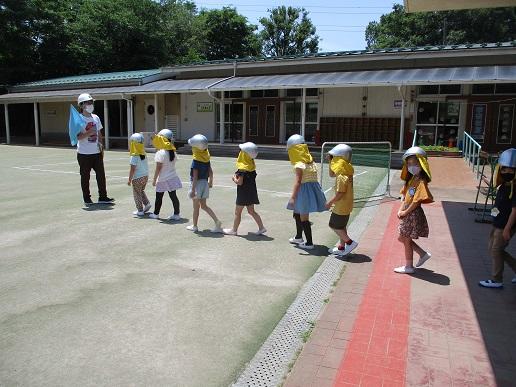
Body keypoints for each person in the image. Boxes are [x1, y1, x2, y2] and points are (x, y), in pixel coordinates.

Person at [479, 148, 516, 288]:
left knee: (496, 250)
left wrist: (507, 229)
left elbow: (514, 211)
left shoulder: (515, 188)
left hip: (505, 226)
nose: (507, 172)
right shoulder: (504, 186)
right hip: (497, 223)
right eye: (504, 169)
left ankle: (497, 279)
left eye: (511, 170)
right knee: (493, 249)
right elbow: (498, 202)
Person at [395, 146, 433, 274]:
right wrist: (401, 209)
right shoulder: (411, 179)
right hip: (407, 213)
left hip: (412, 214)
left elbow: (416, 201)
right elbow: (404, 196)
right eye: (409, 164)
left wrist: (405, 212)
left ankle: (408, 266)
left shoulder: (421, 181)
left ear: (422, 164)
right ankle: (422, 254)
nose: (412, 166)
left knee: (405, 239)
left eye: (415, 164)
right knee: (402, 238)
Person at [286, 134, 327, 250]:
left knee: (303, 217)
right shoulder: (311, 161)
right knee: (297, 213)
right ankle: (299, 237)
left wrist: (293, 197)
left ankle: (309, 243)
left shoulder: (299, 164)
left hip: (303, 191)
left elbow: (298, 181)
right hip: (311, 190)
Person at [75, 93, 114, 206]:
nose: (90, 104)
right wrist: (88, 133)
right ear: (81, 105)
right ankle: (87, 198)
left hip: (96, 152)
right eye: (88, 102)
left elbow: (99, 133)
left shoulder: (96, 117)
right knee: (85, 177)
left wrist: (101, 147)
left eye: (91, 102)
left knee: (101, 175)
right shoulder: (78, 119)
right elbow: (77, 137)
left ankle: (103, 196)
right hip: (83, 153)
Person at [223, 142, 266, 236]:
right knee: (251, 211)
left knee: (237, 212)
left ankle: (234, 230)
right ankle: (261, 227)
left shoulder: (242, 168)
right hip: (251, 192)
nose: (240, 153)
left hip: (243, 193)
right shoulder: (251, 166)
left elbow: (240, 182)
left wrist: (234, 178)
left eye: (241, 152)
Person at [325, 144, 358, 256]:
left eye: (335, 158)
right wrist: (330, 162)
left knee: (333, 225)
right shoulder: (346, 169)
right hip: (347, 205)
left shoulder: (341, 176)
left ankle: (350, 243)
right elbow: (331, 174)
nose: (333, 160)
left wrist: (330, 203)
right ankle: (341, 247)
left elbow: (340, 193)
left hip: (341, 206)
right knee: (342, 227)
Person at [186, 134, 222, 233]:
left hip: (197, 185)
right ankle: (217, 221)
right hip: (205, 183)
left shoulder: (196, 161)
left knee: (196, 207)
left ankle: (194, 225)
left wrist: (193, 190)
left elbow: (195, 177)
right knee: (204, 206)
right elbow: (211, 172)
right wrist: (211, 182)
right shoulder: (206, 158)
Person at [149, 129, 182, 220]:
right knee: (173, 196)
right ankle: (176, 214)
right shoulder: (173, 152)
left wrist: (154, 179)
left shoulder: (160, 153)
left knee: (159, 197)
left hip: (163, 178)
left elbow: (158, 168)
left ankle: (156, 214)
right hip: (172, 177)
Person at [127, 133, 151, 217]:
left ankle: (140, 210)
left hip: (137, 178)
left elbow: (132, 169)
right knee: (141, 191)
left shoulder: (134, 156)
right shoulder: (143, 153)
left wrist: (129, 179)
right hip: (145, 176)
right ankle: (147, 203)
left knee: (137, 193)